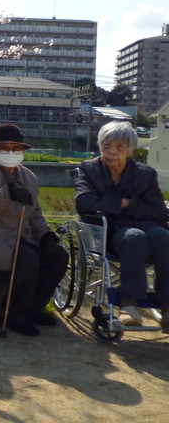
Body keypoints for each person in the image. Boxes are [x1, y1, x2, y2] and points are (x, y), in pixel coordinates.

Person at [0, 124, 68, 337]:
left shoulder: (29, 177)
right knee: (27, 259)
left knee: (58, 256)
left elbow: (35, 213)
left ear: (23, 151)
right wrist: (7, 192)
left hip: (20, 235)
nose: (11, 153)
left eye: (16, 148)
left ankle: (33, 308)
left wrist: (45, 235)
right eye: (5, 148)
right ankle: (12, 315)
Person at [75, 121, 169, 330]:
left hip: (145, 224)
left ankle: (167, 306)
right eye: (106, 145)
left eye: (119, 147)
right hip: (109, 229)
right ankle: (128, 304)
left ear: (129, 150)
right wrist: (121, 203)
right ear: (100, 146)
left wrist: (128, 205)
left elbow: (159, 211)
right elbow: (84, 202)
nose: (112, 152)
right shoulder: (90, 169)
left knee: (163, 236)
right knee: (134, 237)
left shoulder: (145, 174)